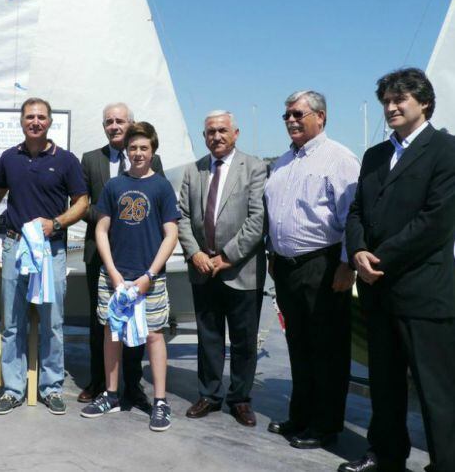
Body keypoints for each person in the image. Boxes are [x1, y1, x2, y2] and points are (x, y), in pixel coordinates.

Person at [342, 68, 455, 472]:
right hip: (378, 291)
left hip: (423, 291)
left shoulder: (447, 150)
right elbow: (356, 210)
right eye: (386, 100)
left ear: (423, 102)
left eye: (399, 99)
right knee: (385, 384)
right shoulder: (375, 156)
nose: (390, 107)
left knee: (435, 389)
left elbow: (436, 221)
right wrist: (356, 249)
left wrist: (378, 258)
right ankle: (386, 454)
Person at [264, 91, 358, 449]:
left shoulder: (340, 158)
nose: (290, 120)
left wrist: (348, 264)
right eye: (286, 114)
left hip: (323, 264)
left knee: (327, 350)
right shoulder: (283, 161)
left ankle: (325, 425)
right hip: (287, 268)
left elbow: (353, 215)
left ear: (321, 116)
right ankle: (300, 415)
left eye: (298, 114)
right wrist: (273, 252)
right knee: (298, 346)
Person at [79, 121, 179, 432]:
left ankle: (160, 401)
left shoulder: (162, 187)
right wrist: (111, 271)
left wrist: (150, 274)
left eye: (144, 148)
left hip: (150, 278)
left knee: (154, 335)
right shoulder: (113, 186)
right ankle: (110, 393)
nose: (138, 153)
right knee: (113, 333)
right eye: (133, 147)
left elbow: (171, 233)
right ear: (127, 150)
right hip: (116, 277)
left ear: (153, 150)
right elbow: (101, 229)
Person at [0, 97, 88, 416]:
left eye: (41, 117)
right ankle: (13, 388)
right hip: (14, 247)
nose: (35, 122)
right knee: (12, 321)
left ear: (49, 122)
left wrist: (57, 222)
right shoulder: (9, 158)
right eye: (30, 117)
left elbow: (82, 201)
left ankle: (51, 388)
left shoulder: (66, 160)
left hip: (51, 251)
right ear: (21, 122)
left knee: (52, 322)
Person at [177, 110, 266, 427]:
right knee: (209, 337)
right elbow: (182, 218)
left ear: (236, 133)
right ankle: (209, 395)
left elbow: (257, 222)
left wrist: (225, 257)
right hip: (203, 269)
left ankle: (240, 399)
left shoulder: (254, 168)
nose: (216, 136)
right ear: (204, 136)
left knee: (244, 341)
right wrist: (195, 253)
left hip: (241, 270)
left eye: (222, 130)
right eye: (210, 132)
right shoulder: (193, 170)